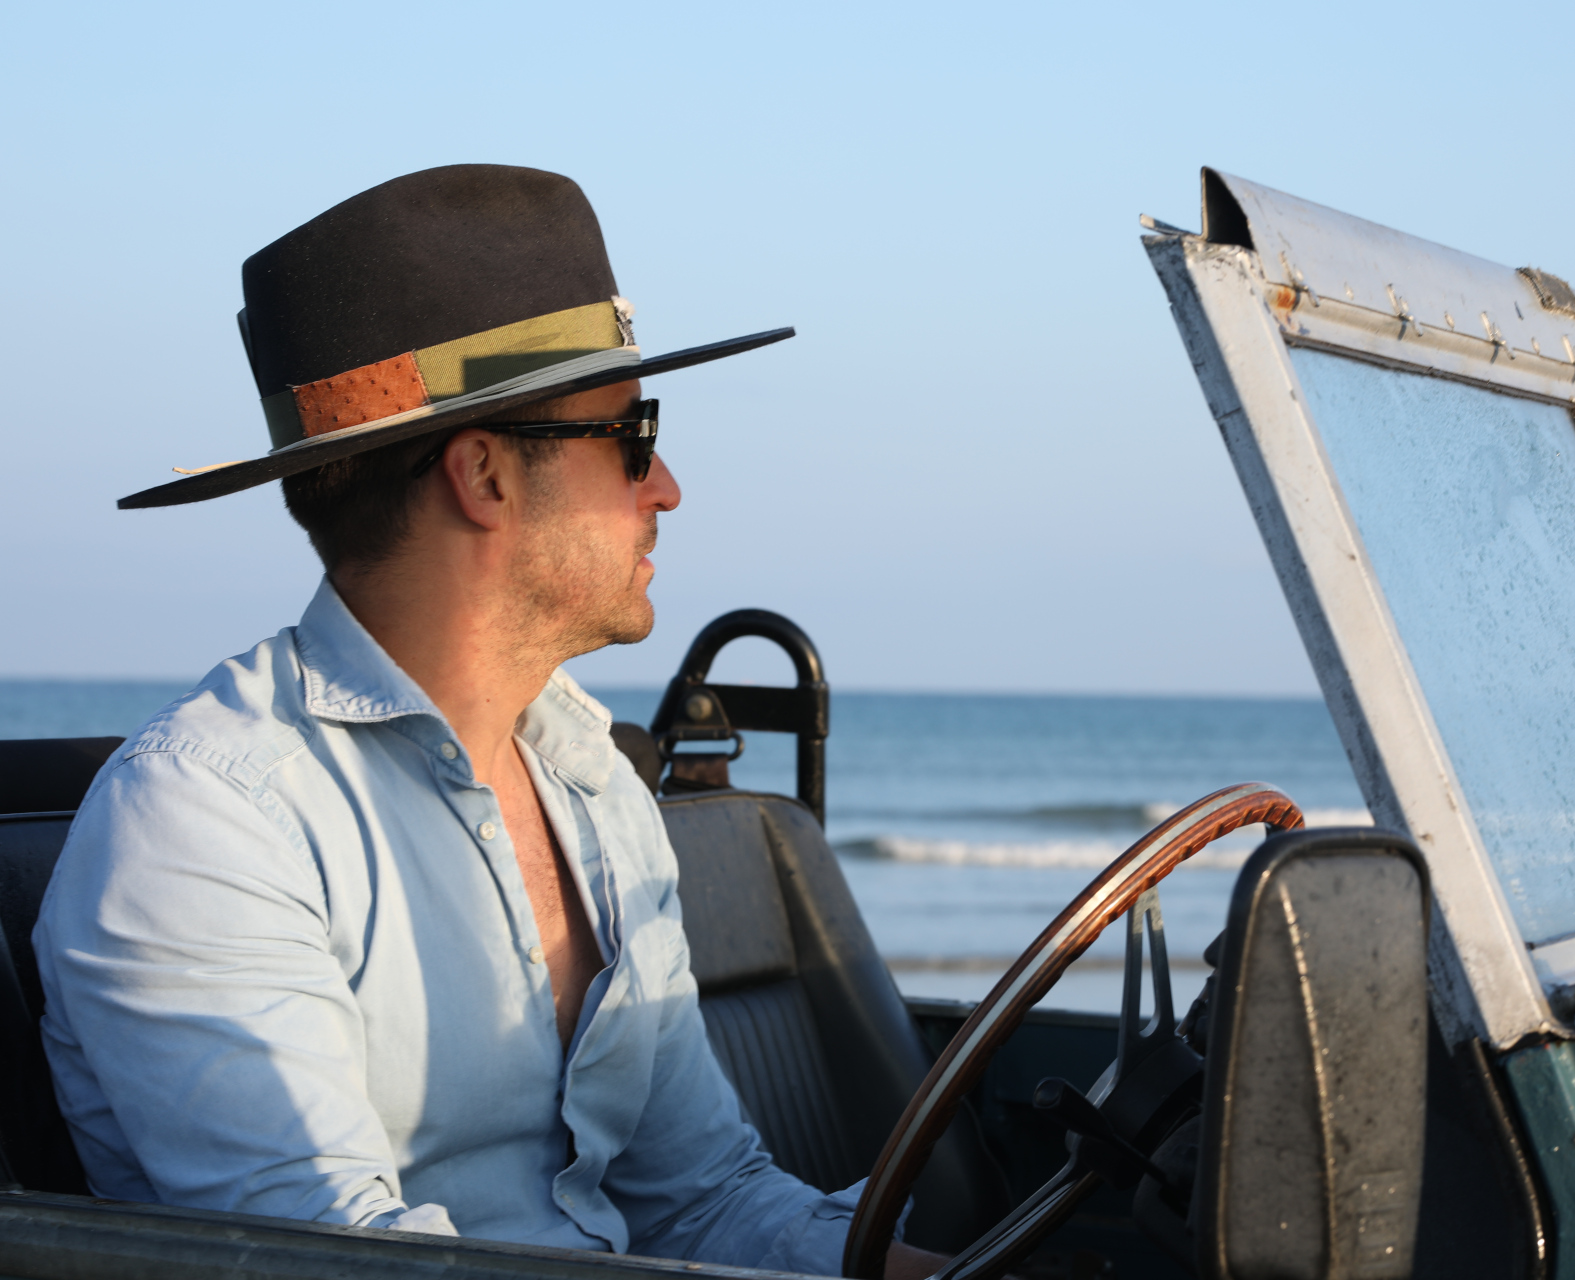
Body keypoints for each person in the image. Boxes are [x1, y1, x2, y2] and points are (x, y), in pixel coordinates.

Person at [33, 164, 943, 1278]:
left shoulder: (593, 781)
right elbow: (347, 1265)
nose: (666, 487)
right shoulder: (207, 824)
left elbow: (703, 1201)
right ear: (484, 476)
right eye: (631, 434)